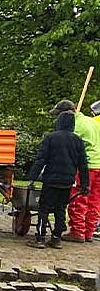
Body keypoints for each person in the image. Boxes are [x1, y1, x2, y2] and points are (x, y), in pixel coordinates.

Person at [27, 109, 89, 249]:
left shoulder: (50, 138)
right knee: (60, 209)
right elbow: (83, 164)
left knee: (44, 208)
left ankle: (40, 238)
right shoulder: (77, 140)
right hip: (67, 181)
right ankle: (56, 238)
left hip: (51, 179)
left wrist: (32, 177)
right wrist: (85, 184)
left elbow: (41, 159)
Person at [49, 99, 100, 242]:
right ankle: (88, 232)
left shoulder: (74, 125)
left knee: (78, 198)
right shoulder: (92, 122)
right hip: (99, 166)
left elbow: (68, 146)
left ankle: (77, 232)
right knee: (94, 201)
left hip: (85, 167)